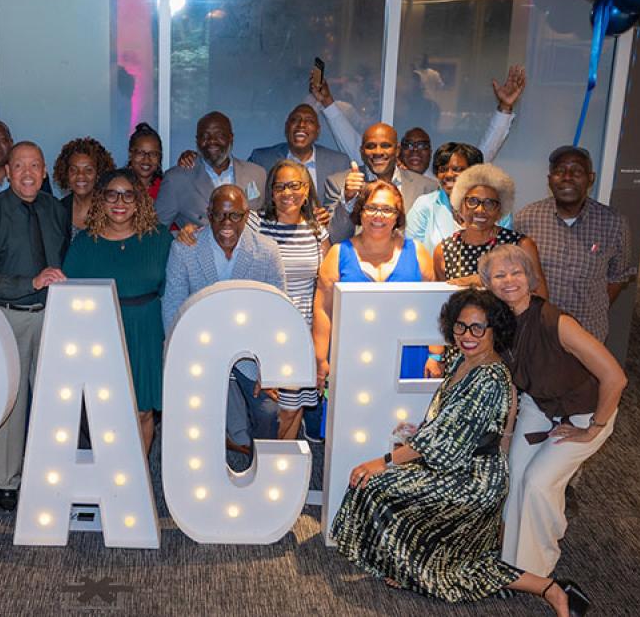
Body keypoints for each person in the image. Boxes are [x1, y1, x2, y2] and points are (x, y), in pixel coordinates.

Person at [331, 289, 591, 616]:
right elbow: (448, 425)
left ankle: (550, 588)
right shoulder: (460, 360)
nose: (467, 335)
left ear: (495, 331)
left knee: (381, 491)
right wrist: (418, 433)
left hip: (474, 479)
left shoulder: (490, 377)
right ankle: (409, 567)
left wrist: (382, 462)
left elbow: (445, 443)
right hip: (457, 466)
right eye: (461, 326)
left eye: (478, 328)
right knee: (384, 493)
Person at [479, 245, 625, 578]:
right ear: (490, 285)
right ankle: (511, 559)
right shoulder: (501, 324)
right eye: (499, 275)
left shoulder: (556, 321)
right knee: (514, 474)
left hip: (587, 413)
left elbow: (615, 377)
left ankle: (534, 570)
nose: (509, 280)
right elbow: (516, 388)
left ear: (530, 278)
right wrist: (507, 438)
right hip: (540, 407)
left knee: (538, 483)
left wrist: (594, 428)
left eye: (516, 272)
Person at [0, 141, 71, 511]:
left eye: (35, 166)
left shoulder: (56, 211)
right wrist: (30, 283)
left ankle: (49, 473)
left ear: (44, 172)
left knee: (52, 402)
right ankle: (7, 481)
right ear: (8, 172)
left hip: (54, 318)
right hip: (9, 316)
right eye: (20, 166)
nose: (28, 173)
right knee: (10, 404)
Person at [162, 185, 286, 453]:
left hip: (251, 354)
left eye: (235, 216)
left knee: (267, 411)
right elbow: (173, 306)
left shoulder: (267, 251)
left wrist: (270, 367)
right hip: (201, 350)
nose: (226, 224)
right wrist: (181, 359)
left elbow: (277, 314)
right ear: (209, 214)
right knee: (196, 418)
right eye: (219, 216)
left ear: (246, 216)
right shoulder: (185, 249)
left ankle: (262, 470)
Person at [63, 169, 172, 453]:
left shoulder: (160, 239)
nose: (120, 201)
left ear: (139, 200)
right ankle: (112, 476)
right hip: (101, 334)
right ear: (101, 200)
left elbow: (174, 288)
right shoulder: (85, 243)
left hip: (145, 332)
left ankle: (140, 481)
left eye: (128, 194)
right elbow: (69, 298)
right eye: (112, 194)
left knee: (142, 411)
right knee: (106, 411)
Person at [312, 180, 435, 385]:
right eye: (371, 208)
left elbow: (432, 307)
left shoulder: (418, 253)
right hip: (352, 355)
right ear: (360, 212)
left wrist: (436, 354)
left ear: (398, 216)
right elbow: (323, 310)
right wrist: (320, 358)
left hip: (409, 354)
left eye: (387, 209)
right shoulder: (338, 254)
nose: (378, 215)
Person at [513, 145, 636, 342]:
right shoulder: (526, 219)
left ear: (591, 178)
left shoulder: (614, 223)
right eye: (560, 171)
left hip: (588, 331)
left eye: (577, 171)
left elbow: (618, 277)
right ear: (549, 179)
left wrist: (592, 306)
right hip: (538, 331)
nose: (567, 177)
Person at [308, 64, 527, 173]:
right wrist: (327, 102)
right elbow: (353, 144)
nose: (414, 150)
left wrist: (505, 108)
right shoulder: (385, 175)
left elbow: (483, 155)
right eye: (409, 145)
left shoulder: (440, 182)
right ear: (398, 151)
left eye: (422, 146)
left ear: (431, 153)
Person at [247, 160, 330, 440]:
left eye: (295, 185)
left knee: (294, 408)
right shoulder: (255, 224)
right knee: (275, 409)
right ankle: (271, 470)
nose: (287, 192)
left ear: (306, 190)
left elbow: (326, 284)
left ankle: (284, 471)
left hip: (304, 331)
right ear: (271, 192)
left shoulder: (317, 230)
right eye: (280, 186)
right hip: (266, 329)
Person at [434, 163, 547, 296]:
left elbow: (541, 296)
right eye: (472, 201)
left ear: (500, 211)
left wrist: (482, 281)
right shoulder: (444, 250)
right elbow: (440, 301)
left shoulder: (520, 246)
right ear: (460, 206)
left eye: (489, 203)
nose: (480, 210)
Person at [323, 123, 438, 244]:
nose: (378, 152)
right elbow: (334, 239)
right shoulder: (338, 183)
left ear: (397, 150)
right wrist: (348, 200)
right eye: (371, 146)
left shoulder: (427, 188)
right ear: (362, 151)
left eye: (385, 145)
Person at [156, 112, 267, 229]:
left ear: (231, 138)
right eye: (205, 136)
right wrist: (181, 236)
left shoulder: (258, 174)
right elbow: (156, 231)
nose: (212, 141)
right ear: (197, 141)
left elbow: (269, 223)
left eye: (219, 135)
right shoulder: (176, 180)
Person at [247, 104, 351, 204]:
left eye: (309, 121)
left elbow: (346, 209)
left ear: (317, 131)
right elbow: (251, 203)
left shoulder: (339, 164)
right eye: (295, 120)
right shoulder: (261, 160)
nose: (301, 124)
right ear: (287, 128)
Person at [53, 137, 116, 237]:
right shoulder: (57, 211)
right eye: (73, 170)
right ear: (65, 173)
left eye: (88, 170)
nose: (80, 175)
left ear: (99, 174)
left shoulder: (112, 209)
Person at [126, 122, 165, 200]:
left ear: (160, 156)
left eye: (153, 154)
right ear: (130, 154)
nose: (146, 159)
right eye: (140, 153)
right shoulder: (118, 185)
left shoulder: (165, 188)